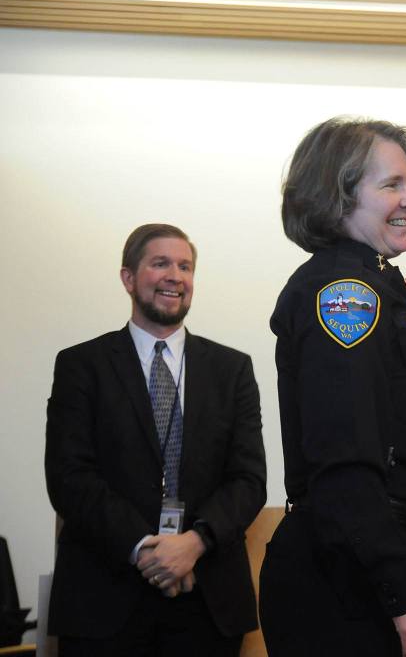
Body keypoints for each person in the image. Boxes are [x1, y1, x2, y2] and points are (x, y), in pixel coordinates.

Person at [259, 117, 406, 657]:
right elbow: (344, 458)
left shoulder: (380, 287)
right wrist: (402, 590)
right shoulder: (344, 294)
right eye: (392, 184)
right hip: (352, 579)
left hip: (376, 563)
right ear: (338, 197)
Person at [44, 223, 267, 656]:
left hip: (208, 600)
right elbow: (69, 477)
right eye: (160, 263)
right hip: (103, 600)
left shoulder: (232, 370)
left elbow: (248, 480)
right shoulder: (80, 365)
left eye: (185, 266)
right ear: (128, 278)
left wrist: (194, 542)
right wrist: (147, 548)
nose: (175, 276)